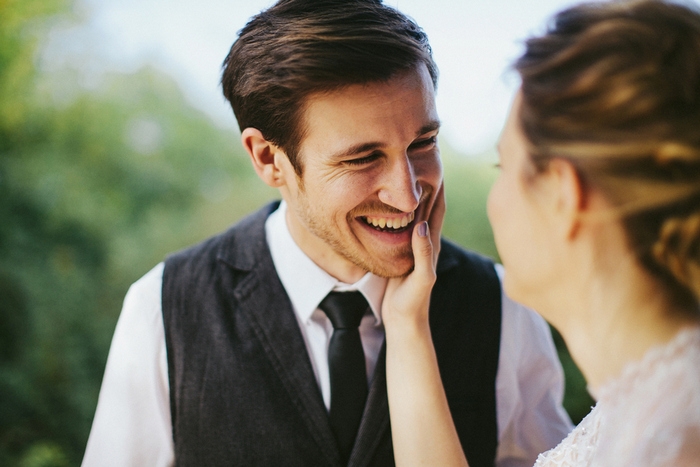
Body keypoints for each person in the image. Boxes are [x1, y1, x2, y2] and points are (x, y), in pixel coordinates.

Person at [81, 0, 573, 466]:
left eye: (423, 142)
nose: (407, 194)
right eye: (362, 158)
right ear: (268, 159)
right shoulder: (162, 309)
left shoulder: (504, 307)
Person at [382, 0, 700, 465]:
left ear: (562, 194)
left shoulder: (674, 445)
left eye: (503, 165)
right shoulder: (639, 414)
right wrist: (407, 325)